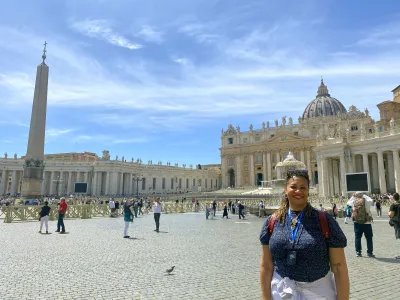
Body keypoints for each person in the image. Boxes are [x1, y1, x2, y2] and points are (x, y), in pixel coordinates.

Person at [260, 170, 349, 300]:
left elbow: (338, 266)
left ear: (308, 191)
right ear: (285, 190)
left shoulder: (324, 220)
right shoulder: (273, 221)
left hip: (319, 293)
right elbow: (266, 266)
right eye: (293, 187)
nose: (298, 191)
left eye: (303, 187)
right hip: (281, 292)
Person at [347, 192, 374, 257]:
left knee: (358, 237)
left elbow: (348, 202)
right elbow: (371, 200)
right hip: (366, 222)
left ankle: (358, 252)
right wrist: (364, 195)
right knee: (369, 238)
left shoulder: (354, 202)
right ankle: (369, 252)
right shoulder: (367, 201)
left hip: (357, 222)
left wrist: (353, 196)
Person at [389, 193, 400, 259]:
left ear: (393, 198)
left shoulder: (394, 205)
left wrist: (389, 213)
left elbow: (391, 214)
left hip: (397, 223)